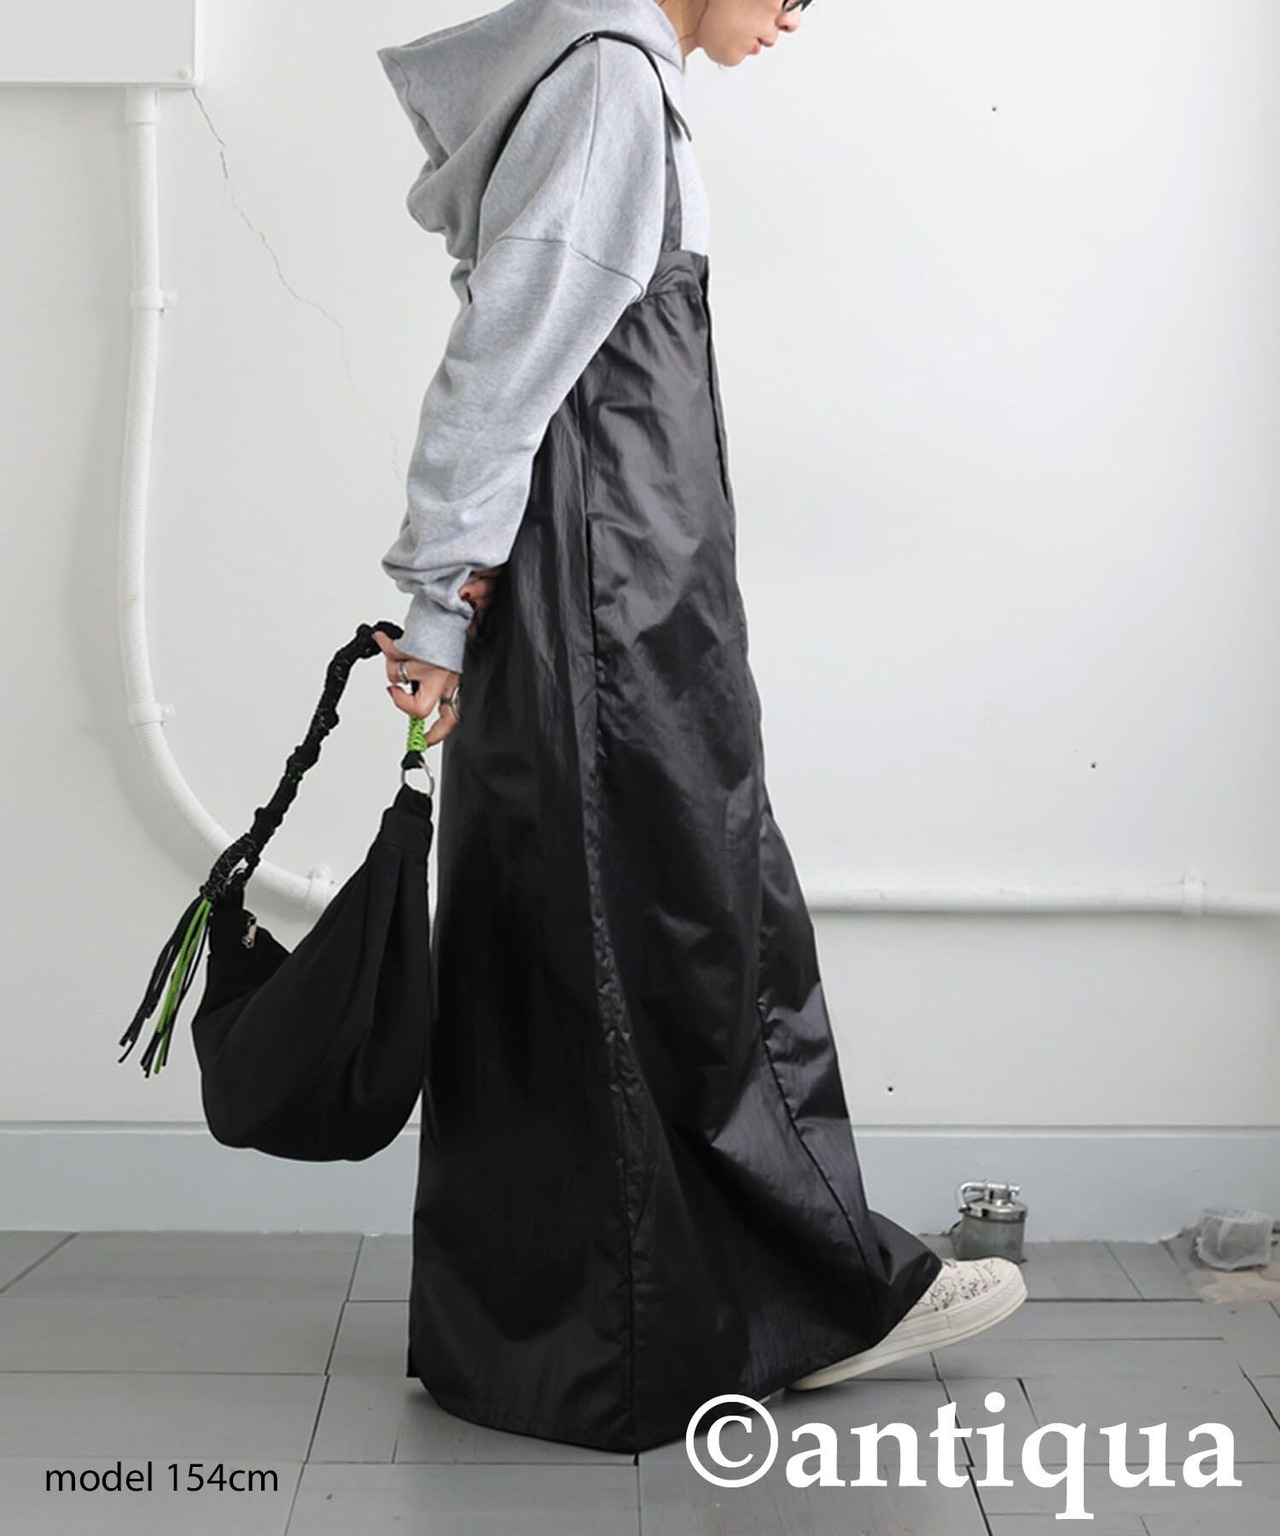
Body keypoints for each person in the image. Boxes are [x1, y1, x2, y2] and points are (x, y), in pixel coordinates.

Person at [369, 0, 1026, 1454]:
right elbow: (505, 357)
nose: (797, 11)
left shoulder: (617, 83)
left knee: (588, 929)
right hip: (607, 583)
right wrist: (432, 595)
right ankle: (809, 1298)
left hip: (617, 571)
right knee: (687, 922)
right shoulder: (609, 84)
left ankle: (582, 1336)